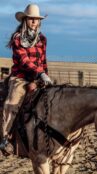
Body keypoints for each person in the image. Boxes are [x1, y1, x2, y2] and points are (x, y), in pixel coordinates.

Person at [0, 4, 52, 150]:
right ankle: (5, 138)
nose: (34, 21)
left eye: (36, 19)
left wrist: (45, 75)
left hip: (39, 77)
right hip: (20, 77)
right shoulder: (17, 38)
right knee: (12, 103)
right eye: (31, 19)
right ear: (25, 20)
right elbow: (24, 61)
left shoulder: (42, 39)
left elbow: (43, 60)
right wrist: (40, 73)